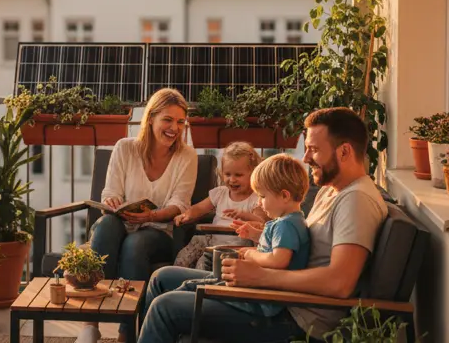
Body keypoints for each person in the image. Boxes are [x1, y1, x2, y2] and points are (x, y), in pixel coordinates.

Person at [137, 107, 388, 343]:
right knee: (162, 278)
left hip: (292, 316)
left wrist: (261, 275)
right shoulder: (332, 190)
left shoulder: (356, 201)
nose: (305, 157)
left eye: (313, 149)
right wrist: (260, 241)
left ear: (344, 152)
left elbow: (339, 283)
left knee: (165, 308)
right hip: (276, 296)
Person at [77, 87, 198, 343]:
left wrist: (151, 216)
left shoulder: (187, 156)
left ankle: (127, 333)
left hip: (158, 231)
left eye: (180, 122)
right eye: (168, 120)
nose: (174, 128)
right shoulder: (125, 148)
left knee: (136, 243)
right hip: (121, 224)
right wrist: (112, 201)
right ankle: (90, 325)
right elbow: (110, 192)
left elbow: (179, 204)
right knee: (105, 225)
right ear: (150, 118)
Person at [179, 153, 311, 319]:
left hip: (261, 300)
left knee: (191, 287)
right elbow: (275, 247)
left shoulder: (286, 225)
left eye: (263, 196)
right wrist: (255, 235)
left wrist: (250, 254)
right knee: (194, 285)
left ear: (285, 196)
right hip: (259, 292)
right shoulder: (292, 221)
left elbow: (278, 260)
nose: (259, 202)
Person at [173, 141, 266, 269]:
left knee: (202, 264)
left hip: (237, 247)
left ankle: (198, 278)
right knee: (193, 244)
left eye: (238, 175)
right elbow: (199, 208)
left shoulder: (256, 199)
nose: (232, 179)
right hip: (212, 242)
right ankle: (176, 270)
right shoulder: (220, 193)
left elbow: (261, 223)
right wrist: (186, 215)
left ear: (254, 173)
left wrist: (244, 215)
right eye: (227, 174)